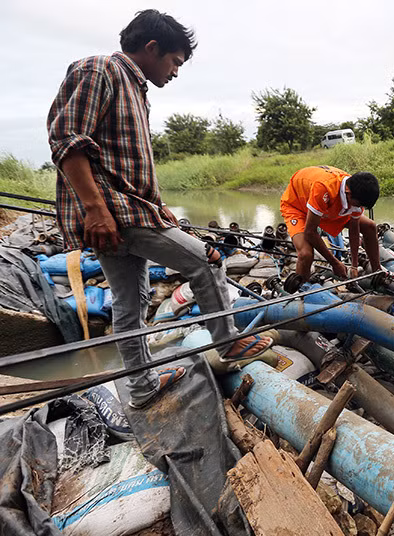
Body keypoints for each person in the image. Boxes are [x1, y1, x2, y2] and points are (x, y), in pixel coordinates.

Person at [47, 10, 273, 410]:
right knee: (207, 261)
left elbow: (124, 164)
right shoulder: (100, 71)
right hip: (118, 214)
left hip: (130, 210)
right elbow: (67, 140)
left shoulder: (137, 90)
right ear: (152, 48)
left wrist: (160, 207)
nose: (175, 72)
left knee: (129, 304)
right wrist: (96, 210)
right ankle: (227, 340)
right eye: (175, 62)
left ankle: (140, 388)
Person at [279, 165, 382, 283]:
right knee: (306, 254)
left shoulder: (357, 193)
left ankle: (377, 273)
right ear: (348, 192)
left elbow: (354, 228)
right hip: (298, 205)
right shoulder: (324, 188)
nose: (359, 208)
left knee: (370, 226)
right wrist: (335, 263)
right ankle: (303, 291)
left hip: (325, 208)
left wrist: (354, 265)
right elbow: (310, 232)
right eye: (358, 205)